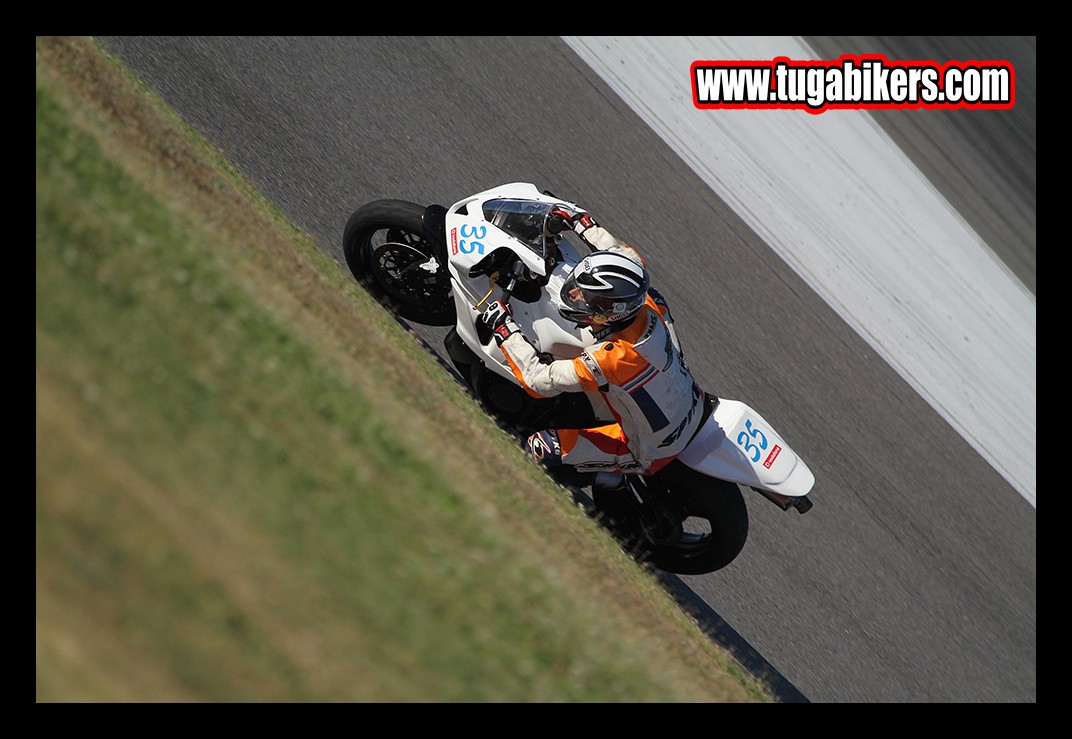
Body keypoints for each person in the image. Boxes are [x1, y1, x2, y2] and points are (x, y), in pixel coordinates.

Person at [479, 205, 706, 492]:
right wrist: (580, 222)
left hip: (650, 448)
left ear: (608, 312)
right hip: (689, 401)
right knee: (657, 298)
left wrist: (504, 329)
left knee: (541, 448)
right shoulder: (642, 302)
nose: (573, 294)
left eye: (586, 297)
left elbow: (538, 381)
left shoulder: (613, 359)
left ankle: (612, 481)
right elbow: (626, 256)